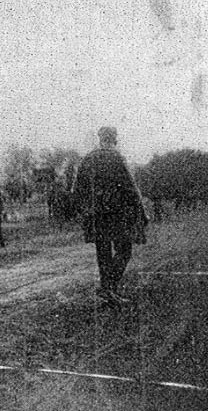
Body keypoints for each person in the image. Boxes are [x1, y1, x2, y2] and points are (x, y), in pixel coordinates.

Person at [72, 126, 148, 306]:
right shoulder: (116, 157)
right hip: (117, 213)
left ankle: (108, 289)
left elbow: (77, 189)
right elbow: (130, 187)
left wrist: (84, 210)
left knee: (103, 253)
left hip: (95, 215)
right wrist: (142, 211)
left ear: (100, 139)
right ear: (114, 139)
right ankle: (108, 287)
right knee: (124, 250)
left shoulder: (88, 158)